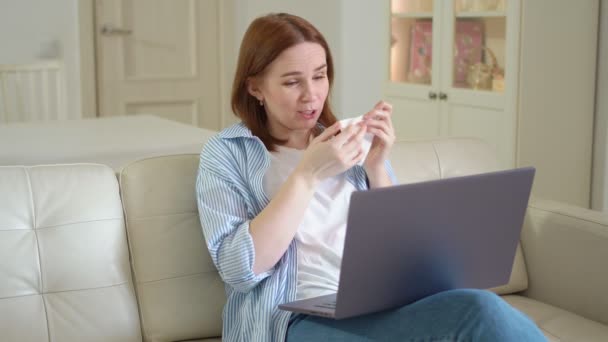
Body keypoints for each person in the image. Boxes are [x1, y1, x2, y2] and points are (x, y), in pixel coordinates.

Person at [196, 12, 546, 342]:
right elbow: (240, 270)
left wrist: (377, 165)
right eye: (292, 82)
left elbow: (404, 248)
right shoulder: (227, 154)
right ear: (255, 87)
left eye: (319, 75)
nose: (312, 94)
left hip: (377, 305)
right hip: (293, 320)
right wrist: (306, 176)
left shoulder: (348, 141)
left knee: (478, 305)